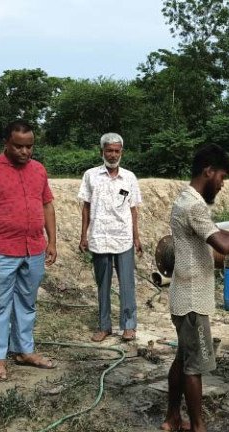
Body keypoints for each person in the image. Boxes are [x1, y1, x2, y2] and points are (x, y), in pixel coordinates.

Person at [161, 144, 229, 432]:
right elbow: (222, 244)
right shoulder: (194, 206)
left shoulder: (186, 199)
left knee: (182, 359)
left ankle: (172, 418)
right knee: (194, 366)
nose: (222, 185)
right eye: (222, 177)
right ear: (208, 171)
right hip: (193, 299)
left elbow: (216, 233)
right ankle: (198, 426)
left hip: (182, 295)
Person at [0, 119, 58, 382]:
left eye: (29, 147)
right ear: (6, 143)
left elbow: (47, 206)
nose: (25, 152)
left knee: (26, 302)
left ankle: (24, 351)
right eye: (19, 146)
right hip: (0, 249)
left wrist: (52, 241)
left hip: (34, 249)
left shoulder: (39, 170)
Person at [78, 133, 142, 342]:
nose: (113, 155)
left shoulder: (129, 178)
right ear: (102, 152)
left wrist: (136, 237)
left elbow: (133, 210)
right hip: (99, 237)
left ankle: (129, 325)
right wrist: (83, 236)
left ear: (121, 152)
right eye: (109, 151)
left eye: (116, 151)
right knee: (102, 284)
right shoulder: (91, 176)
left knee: (127, 284)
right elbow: (86, 207)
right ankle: (104, 326)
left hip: (123, 237)